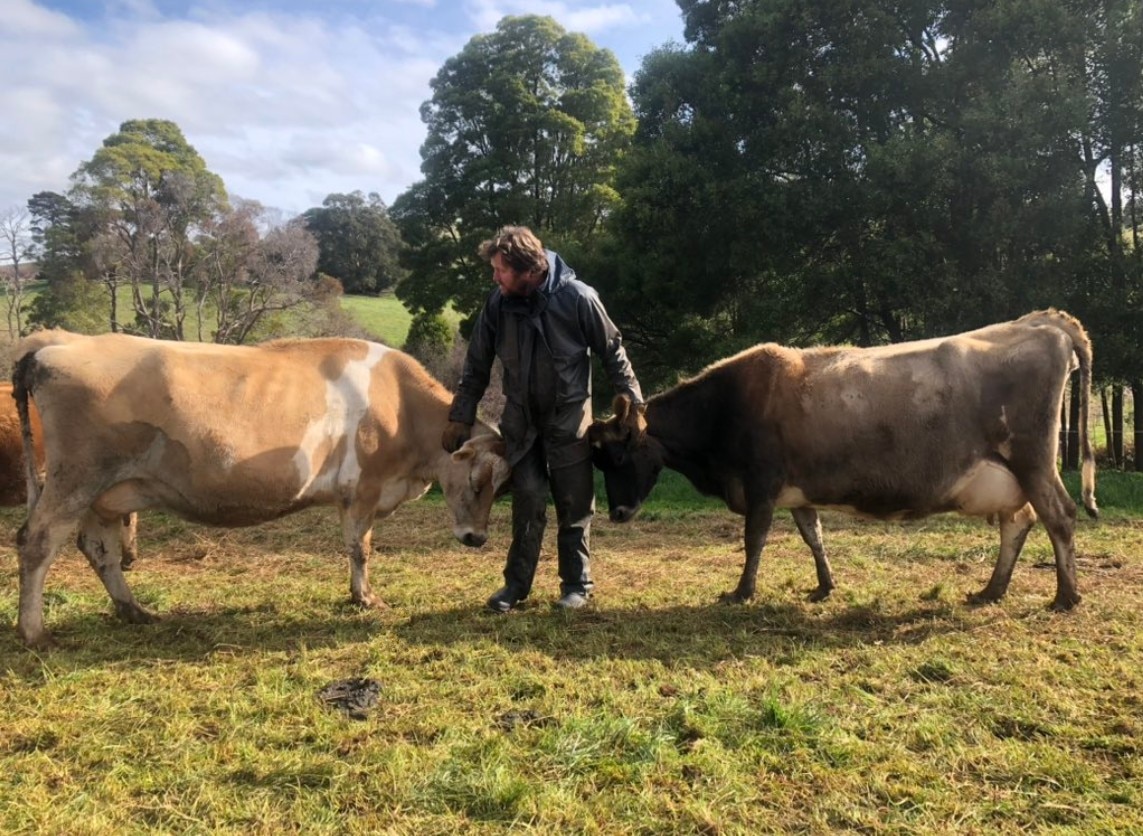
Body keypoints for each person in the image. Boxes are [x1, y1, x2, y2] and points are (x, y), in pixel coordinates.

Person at [441, 226, 643, 612]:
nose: (495, 277)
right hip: (521, 422)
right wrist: (461, 414)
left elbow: (613, 351)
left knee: (574, 503)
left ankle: (576, 586)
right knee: (528, 499)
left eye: (501, 270)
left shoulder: (579, 298)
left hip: (569, 419)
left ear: (529, 271)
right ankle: (516, 586)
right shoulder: (498, 304)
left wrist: (634, 404)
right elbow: (477, 362)